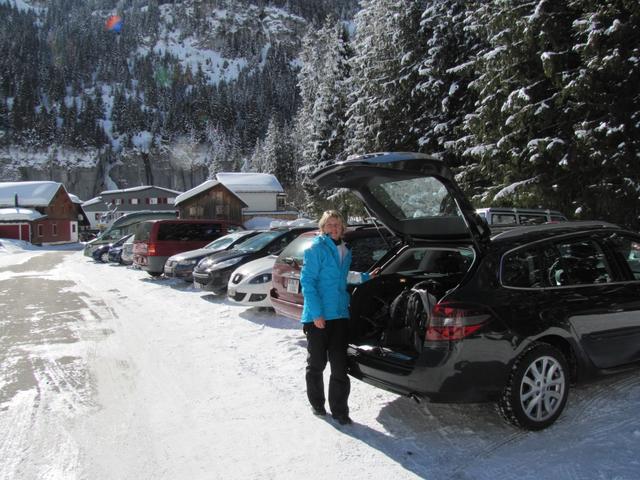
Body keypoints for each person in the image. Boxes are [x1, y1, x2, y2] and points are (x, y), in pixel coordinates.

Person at [300, 210, 377, 425]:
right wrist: (317, 314)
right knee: (317, 364)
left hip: (340, 314)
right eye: (330, 224)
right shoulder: (316, 249)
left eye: (337, 224)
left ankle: (340, 411)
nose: (334, 228)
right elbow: (308, 282)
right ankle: (317, 404)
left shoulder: (345, 249)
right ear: (323, 227)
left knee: (340, 366)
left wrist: (366, 277)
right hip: (318, 317)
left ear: (342, 227)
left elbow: (343, 276)